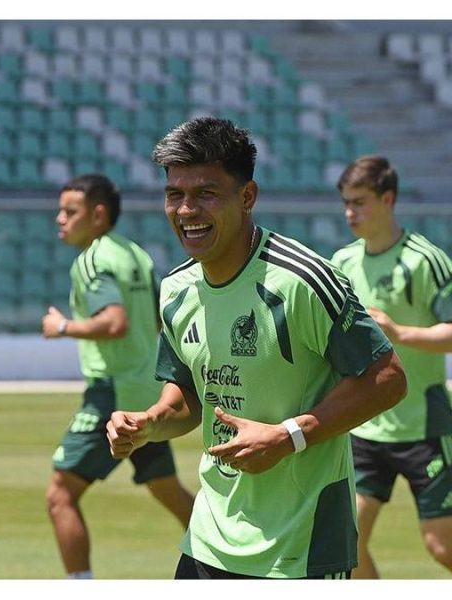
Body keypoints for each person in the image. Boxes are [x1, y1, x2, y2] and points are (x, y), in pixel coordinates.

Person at [106, 117, 407, 579]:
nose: (186, 210)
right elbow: (186, 394)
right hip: (209, 539)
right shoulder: (174, 290)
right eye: (174, 195)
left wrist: (289, 436)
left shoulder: (303, 280)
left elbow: (387, 378)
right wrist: (148, 423)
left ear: (247, 196)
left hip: (300, 547)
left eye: (205, 193)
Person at [41, 173, 194, 578]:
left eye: (70, 211)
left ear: (98, 214)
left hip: (113, 395)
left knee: (60, 495)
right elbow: (159, 319)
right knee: (168, 491)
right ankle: (232, 567)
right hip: (148, 391)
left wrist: (62, 327)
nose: (60, 219)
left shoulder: (93, 259)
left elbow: (114, 322)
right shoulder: (135, 254)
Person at [330, 155, 452, 578]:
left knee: (441, 547)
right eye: (346, 203)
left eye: (359, 202)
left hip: (423, 426)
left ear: (389, 199)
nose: (350, 212)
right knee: (347, 541)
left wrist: (398, 333)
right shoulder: (341, 263)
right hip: (365, 426)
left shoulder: (425, 261)